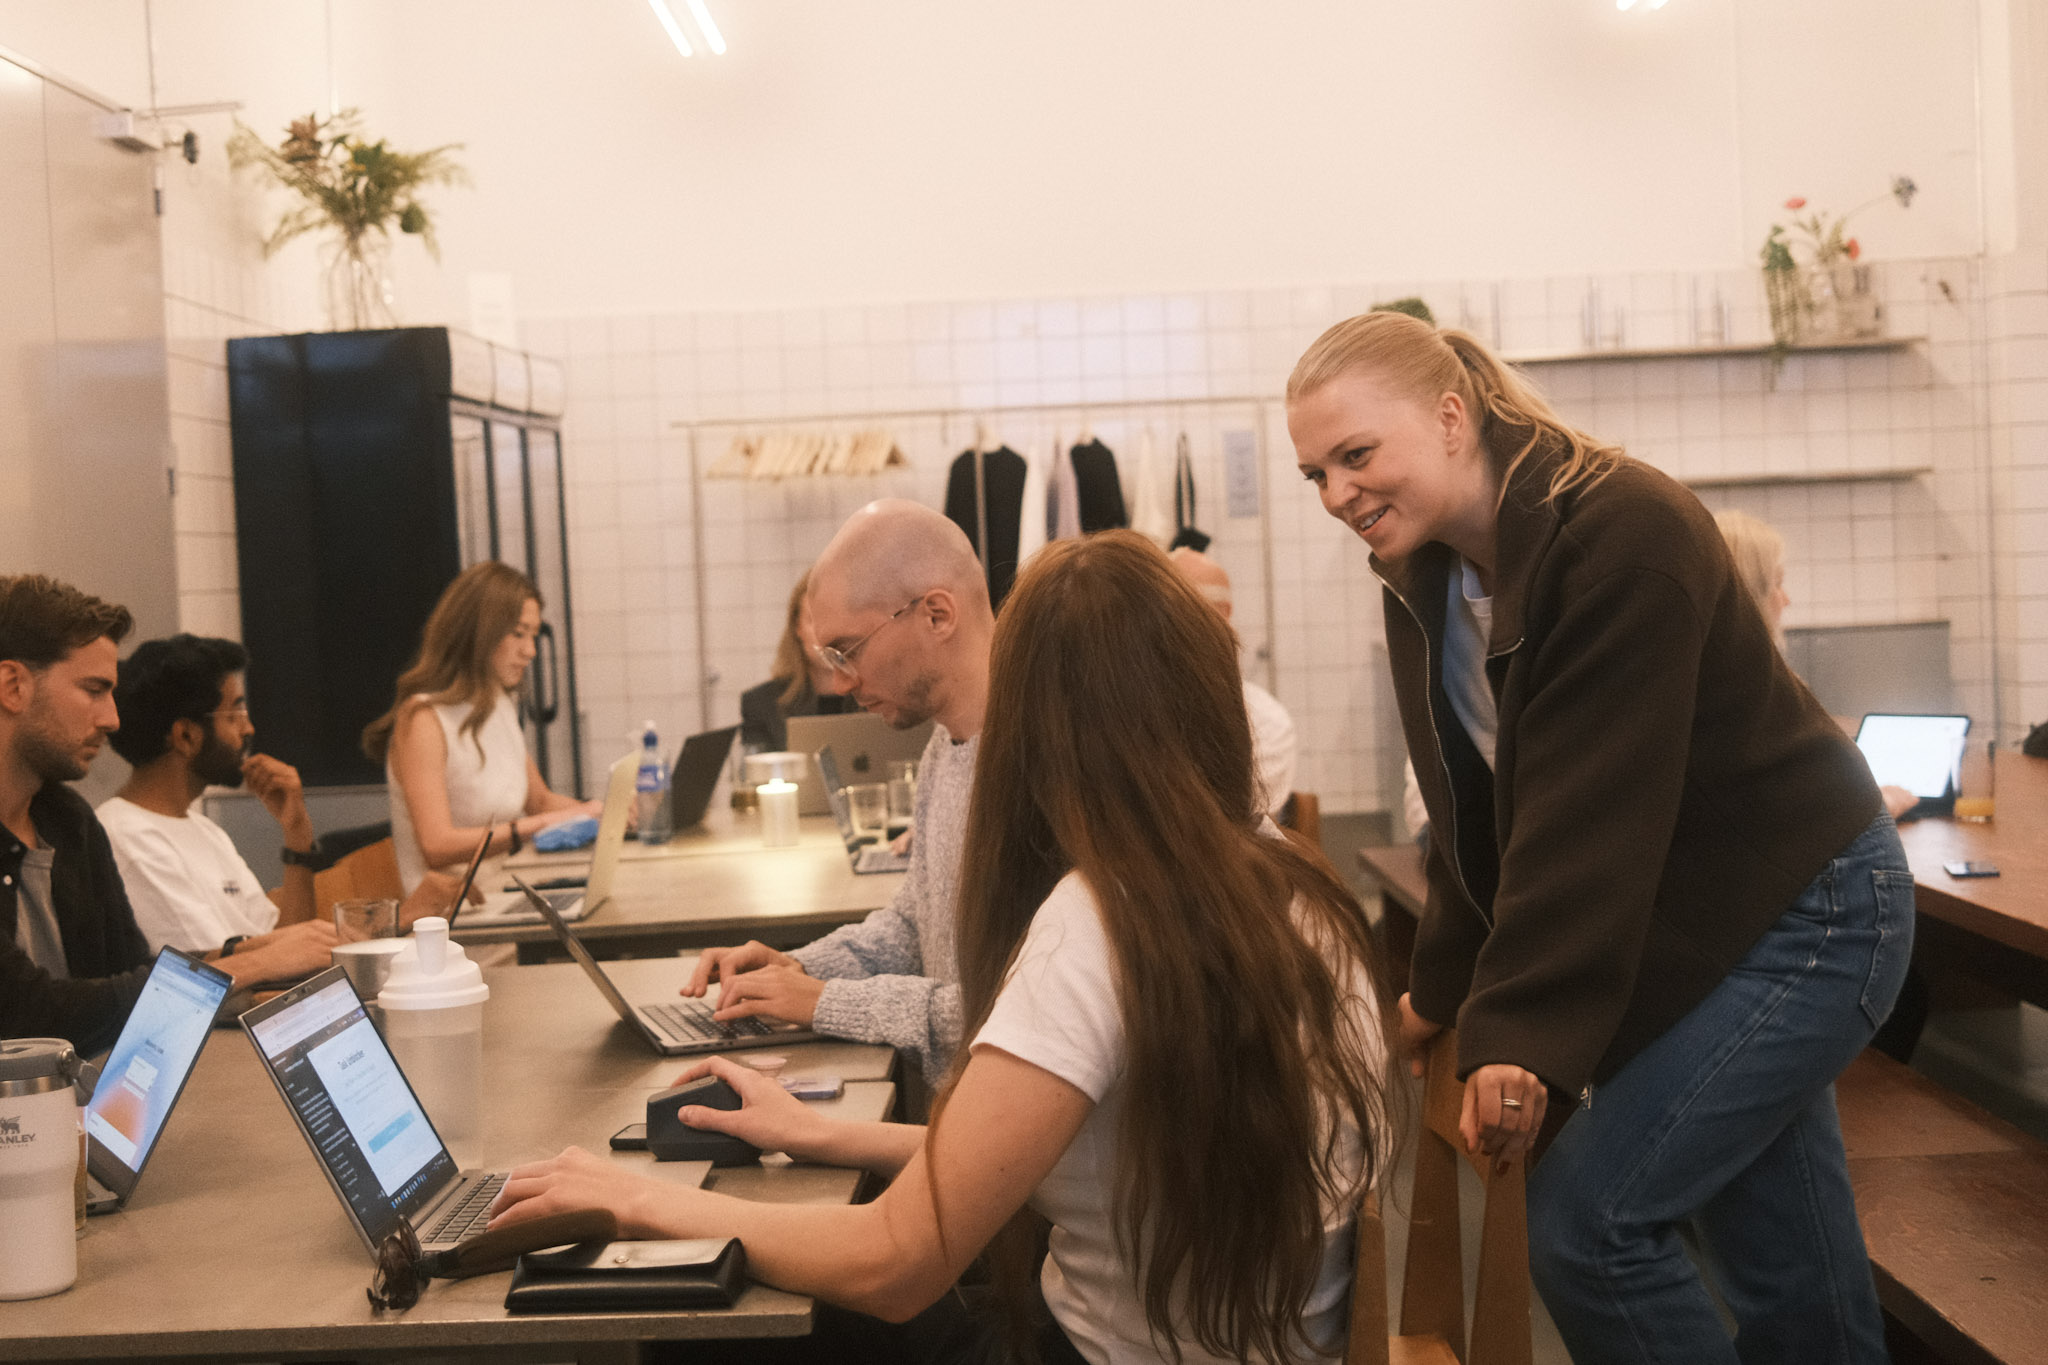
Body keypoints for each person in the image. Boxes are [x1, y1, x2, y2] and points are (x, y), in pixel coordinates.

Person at [489, 532, 1394, 1365]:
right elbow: (1076, 1143)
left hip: (1100, 1349)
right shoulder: (1298, 884)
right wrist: (820, 1131)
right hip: (1240, 1339)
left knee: (710, 1326)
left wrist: (636, 1199)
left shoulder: (1101, 917)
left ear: (1038, 722)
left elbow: (895, 1265)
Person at [1287, 310, 1908, 1364]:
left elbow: (1586, 815)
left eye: (1355, 454)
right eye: (1315, 474)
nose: (1337, 494)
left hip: (1810, 912)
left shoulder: (1619, 532)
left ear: (1450, 418)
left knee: (1588, 1228)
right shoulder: (1428, 576)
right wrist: (1438, 992)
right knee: (1790, 1271)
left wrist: (1518, 1033)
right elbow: (1474, 816)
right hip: (1710, 921)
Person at [681, 500, 991, 1082]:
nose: (842, 682)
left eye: (849, 650)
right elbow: (913, 926)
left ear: (937, 615)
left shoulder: (1041, 764)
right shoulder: (945, 747)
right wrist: (795, 970)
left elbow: (1012, 1011)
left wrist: (825, 1001)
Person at [0, 576, 319, 1056]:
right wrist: (249, 966)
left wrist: (248, 951)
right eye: (93, 690)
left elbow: (127, 972)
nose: (111, 719)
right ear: (13, 686)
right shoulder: (103, 824)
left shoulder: (67, 821)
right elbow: (25, 1013)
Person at [99, 634, 458, 981]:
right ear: (186, 736)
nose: (248, 728)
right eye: (234, 713)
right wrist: (399, 920)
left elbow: (286, 949)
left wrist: (297, 834)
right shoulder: (129, 837)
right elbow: (223, 972)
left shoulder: (204, 829)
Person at [363, 562, 599, 893]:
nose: (530, 651)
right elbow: (437, 846)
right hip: (452, 914)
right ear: (477, 632)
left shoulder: (498, 703)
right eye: (518, 633)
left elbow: (540, 801)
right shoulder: (423, 718)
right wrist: (538, 826)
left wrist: (608, 814)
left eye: (533, 635)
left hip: (502, 893)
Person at [1167, 546, 1298, 817]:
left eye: (1178, 615)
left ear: (1223, 616)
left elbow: (1242, 820)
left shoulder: (1266, 723)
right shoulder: (1126, 713)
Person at [738, 570, 857, 756]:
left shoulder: (879, 695)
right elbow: (757, 770)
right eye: (814, 621)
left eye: (835, 619)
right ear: (797, 628)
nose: (825, 634)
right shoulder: (762, 704)